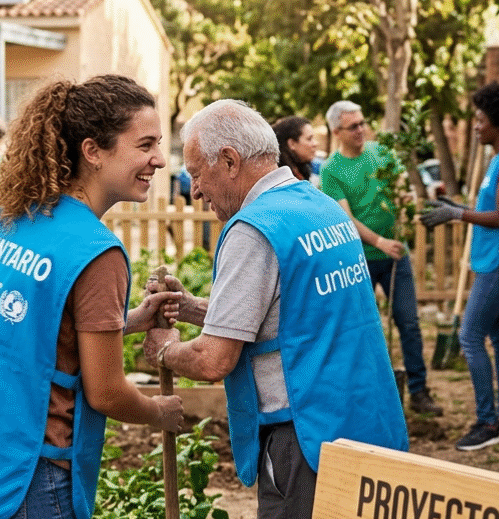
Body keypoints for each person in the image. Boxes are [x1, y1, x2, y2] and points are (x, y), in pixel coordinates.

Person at [0, 75, 184, 519]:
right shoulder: (96, 252)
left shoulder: (7, 217)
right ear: (93, 151)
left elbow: (24, 323)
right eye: (145, 144)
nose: (158, 159)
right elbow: (107, 393)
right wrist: (159, 412)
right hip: (22, 481)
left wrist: (128, 320)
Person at [142, 99, 408, 519]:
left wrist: (162, 350)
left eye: (196, 173)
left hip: (303, 433)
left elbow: (214, 360)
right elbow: (291, 312)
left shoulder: (253, 229)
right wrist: (193, 308)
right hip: (361, 416)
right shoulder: (318, 207)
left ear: (229, 160)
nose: (194, 189)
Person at [420, 83, 499, 450]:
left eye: (481, 119)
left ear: (497, 123)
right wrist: (457, 206)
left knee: (469, 336)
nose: (476, 125)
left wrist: (457, 214)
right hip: (489, 259)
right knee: (498, 338)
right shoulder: (498, 160)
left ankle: (487, 422)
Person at [320, 100, 443, 416]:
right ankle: (367, 393)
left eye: (362, 123)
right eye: (353, 126)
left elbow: (402, 188)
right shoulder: (332, 170)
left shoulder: (381, 154)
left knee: (409, 323)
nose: (361, 130)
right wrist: (378, 241)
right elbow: (344, 218)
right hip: (358, 259)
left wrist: (406, 200)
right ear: (337, 132)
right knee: (362, 326)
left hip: (396, 255)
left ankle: (418, 392)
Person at [272, 115, 318, 185]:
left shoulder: (301, 170)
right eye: (309, 139)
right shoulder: (282, 179)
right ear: (292, 144)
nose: (315, 144)